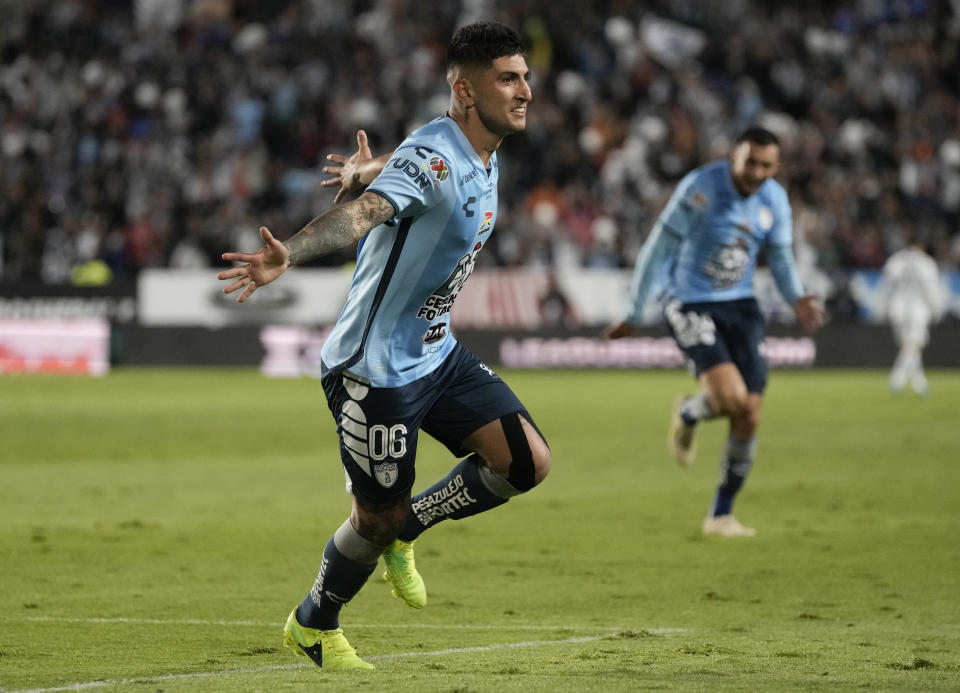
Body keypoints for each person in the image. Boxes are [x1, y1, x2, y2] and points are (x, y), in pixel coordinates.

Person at [218, 22, 549, 671]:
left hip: (436, 353)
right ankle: (314, 623)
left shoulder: (477, 150)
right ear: (465, 91)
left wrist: (375, 163)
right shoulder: (434, 157)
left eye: (525, 77)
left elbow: (413, 164)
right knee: (374, 519)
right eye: (508, 79)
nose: (525, 91)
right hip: (374, 371)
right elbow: (365, 212)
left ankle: (412, 529)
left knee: (526, 462)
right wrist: (295, 251)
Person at [605, 127, 823, 538]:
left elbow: (779, 257)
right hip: (689, 301)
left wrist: (798, 297)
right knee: (729, 398)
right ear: (732, 158)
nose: (757, 172)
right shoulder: (701, 188)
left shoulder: (774, 198)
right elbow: (658, 247)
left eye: (766, 165)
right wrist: (635, 309)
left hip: (741, 306)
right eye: (750, 162)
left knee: (749, 413)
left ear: (776, 167)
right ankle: (691, 411)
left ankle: (720, 514)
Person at [881, 234, 943, 396]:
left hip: (897, 308)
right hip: (918, 309)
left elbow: (886, 287)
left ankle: (918, 383)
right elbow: (932, 290)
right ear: (921, 245)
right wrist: (936, 310)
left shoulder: (895, 261)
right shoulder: (926, 263)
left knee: (908, 346)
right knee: (913, 346)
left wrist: (883, 308)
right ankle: (897, 379)